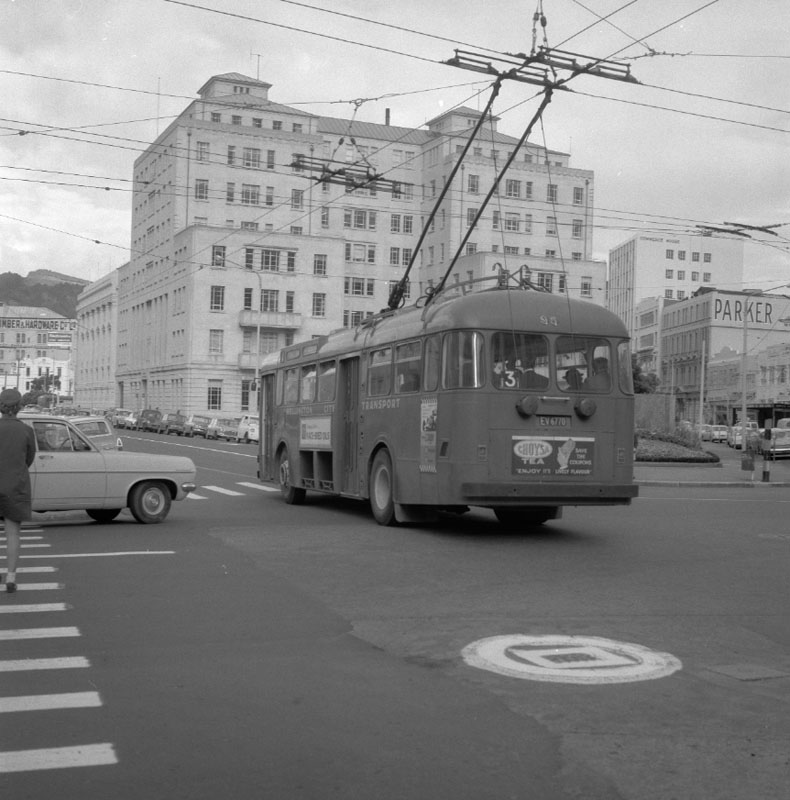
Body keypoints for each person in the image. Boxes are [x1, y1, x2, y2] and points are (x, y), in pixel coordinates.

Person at [0, 388, 37, 594]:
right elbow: (29, 459)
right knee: (12, 533)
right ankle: (11, 577)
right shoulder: (25, 431)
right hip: (15, 486)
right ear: (19, 407)